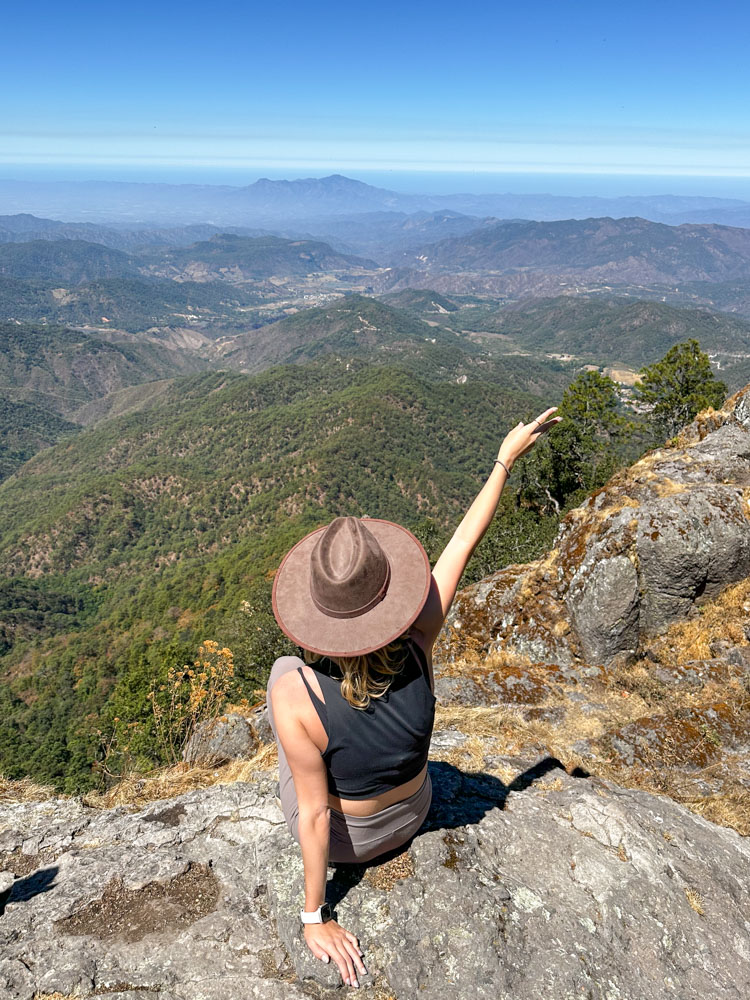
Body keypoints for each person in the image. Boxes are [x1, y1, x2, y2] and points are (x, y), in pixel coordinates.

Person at [266, 407, 561, 988]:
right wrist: (503, 461)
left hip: (351, 843)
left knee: (283, 679)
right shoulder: (422, 633)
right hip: (413, 814)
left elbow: (314, 813)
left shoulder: (296, 693)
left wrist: (313, 915)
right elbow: (463, 544)